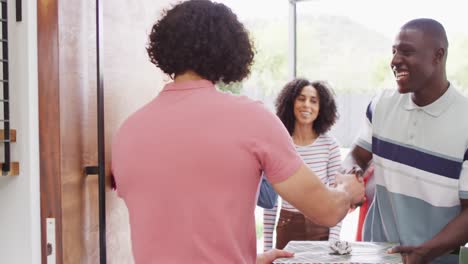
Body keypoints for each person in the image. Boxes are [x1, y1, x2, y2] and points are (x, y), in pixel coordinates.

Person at [111, 1, 365, 263]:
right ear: (229, 50)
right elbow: (325, 210)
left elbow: (176, 228)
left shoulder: (128, 131)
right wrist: (347, 190)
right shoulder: (253, 120)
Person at [342, 18, 468, 263]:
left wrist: (424, 252)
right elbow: (356, 155)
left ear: (437, 56)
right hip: (376, 256)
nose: (394, 60)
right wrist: (351, 172)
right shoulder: (381, 104)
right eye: (393, 51)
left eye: (406, 52)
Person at [261, 79, 343, 250]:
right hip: (287, 225)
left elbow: (337, 198)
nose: (306, 105)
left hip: (321, 226)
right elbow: (271, 201)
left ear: (321, 108)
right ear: (291, 103)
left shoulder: (330, 145)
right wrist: (267, 247)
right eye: (301, 98)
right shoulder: (280, 143)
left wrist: (333, 241)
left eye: (313, 101)